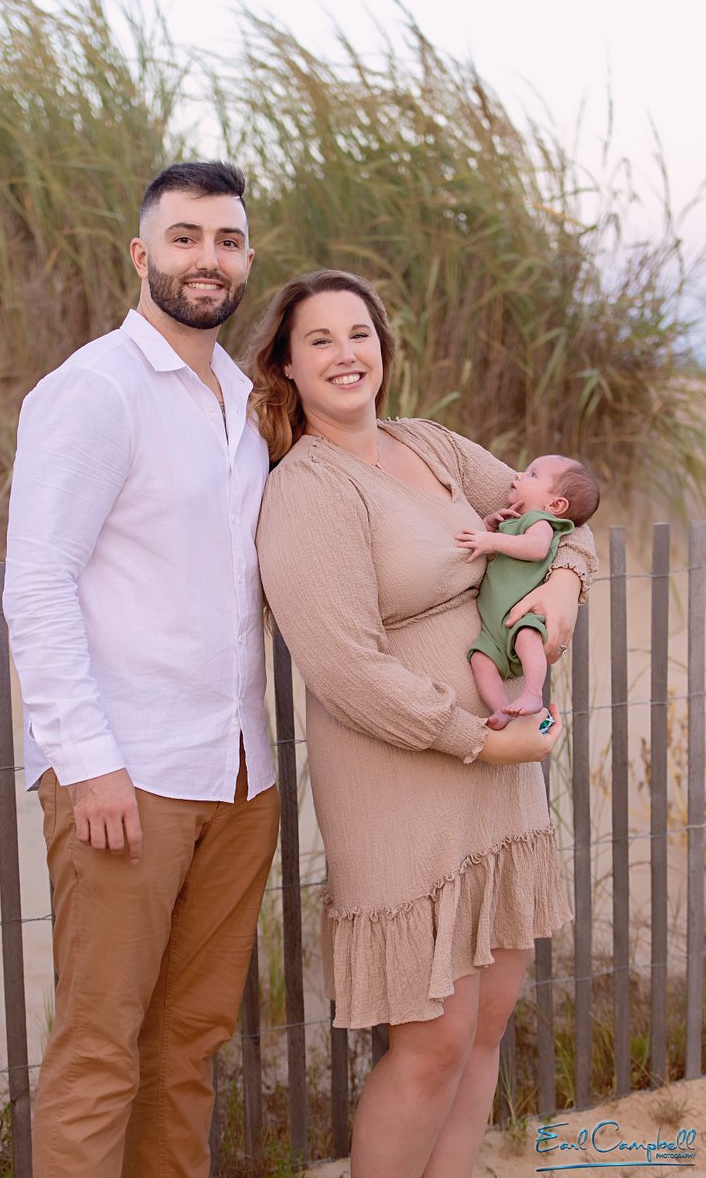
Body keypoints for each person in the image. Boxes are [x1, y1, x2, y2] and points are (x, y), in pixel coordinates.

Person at [248, 270, 597, 1178]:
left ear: (383, 351)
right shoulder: (305, 490)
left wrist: (562, 585)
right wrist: (480, 737)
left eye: (358, 334)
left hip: (501, 771)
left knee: (487, 1024)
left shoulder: (432, 445)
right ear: (286, 363)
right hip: (408, 771)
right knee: (433, 1041)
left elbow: (565, 517)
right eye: (318, 339)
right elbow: (345, 669)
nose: (344, 353)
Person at [2, 161, 280, 1178]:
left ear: (246, 259)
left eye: (228, 240)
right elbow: (36, 584)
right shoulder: (93, 391)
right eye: (186, 237)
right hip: (128, 778)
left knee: (188, 1043)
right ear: (141, 254)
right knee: (99, 1048)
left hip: (240, 774)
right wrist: (86, 762)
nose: (208, 258)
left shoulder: (248, 403)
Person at [455, 454, 600, 728]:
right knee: (480, 659)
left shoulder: (539, 522)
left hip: (523, 616)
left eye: (532, 474)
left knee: (527, 638)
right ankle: (501, 710)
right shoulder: (515, 521)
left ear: (555, 505)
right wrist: (488, 526)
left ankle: (533, 693)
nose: (519, 475)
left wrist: (491, 539)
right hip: (493, 629)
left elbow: (537, 548)